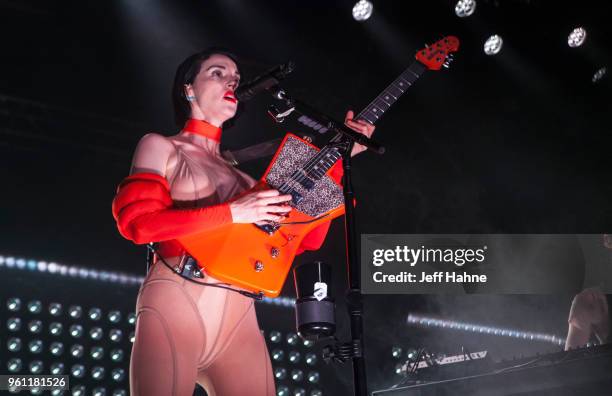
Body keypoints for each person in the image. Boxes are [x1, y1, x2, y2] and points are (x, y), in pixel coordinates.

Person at [111, 48, 375, 396]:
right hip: (177, 297)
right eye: (217, 73)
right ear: (188, 88)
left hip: (240, 316)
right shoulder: (161, 146)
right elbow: (139, 224)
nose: (231, 81)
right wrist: (236, 212)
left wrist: (340, 163)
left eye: (235, 77)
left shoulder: (250, 184)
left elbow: (306, 240)